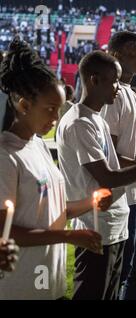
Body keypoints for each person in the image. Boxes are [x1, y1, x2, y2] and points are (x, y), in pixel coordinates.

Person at [56, 51, 136, 300]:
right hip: (94, 228)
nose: (118, 88)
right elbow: (107, 177)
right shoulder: (80, 123)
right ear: (93, 80)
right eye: (113, 81)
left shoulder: (97, 118)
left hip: (114, 224)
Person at [0, 38, 106, 300]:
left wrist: (89, 203)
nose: (55, 119)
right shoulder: (6, 156)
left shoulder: (38, 145)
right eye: (49, 109)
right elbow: (6, 231)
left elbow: (48, 210)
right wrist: (70, 235)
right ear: (23, 105)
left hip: (49, 280)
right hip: (21, 286)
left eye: (58, 110)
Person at [101, 31, 136, 301]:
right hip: (125, 195)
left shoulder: (131, 93)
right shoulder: (113, 97)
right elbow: (108, 154)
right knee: (123, 271)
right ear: (115, 55)